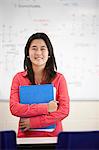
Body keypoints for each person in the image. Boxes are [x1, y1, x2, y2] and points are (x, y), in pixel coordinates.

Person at [10, 32, 70, 137]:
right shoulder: (18, 78)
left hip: (53, 137)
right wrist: (46, 107)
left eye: (43, 48)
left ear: (49, 53)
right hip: (25, 137)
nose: (38, 52)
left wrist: (33, 122)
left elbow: (63, 110)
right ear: (28, 53)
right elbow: (14, 108)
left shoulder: (59, 79)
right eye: (34, 48)